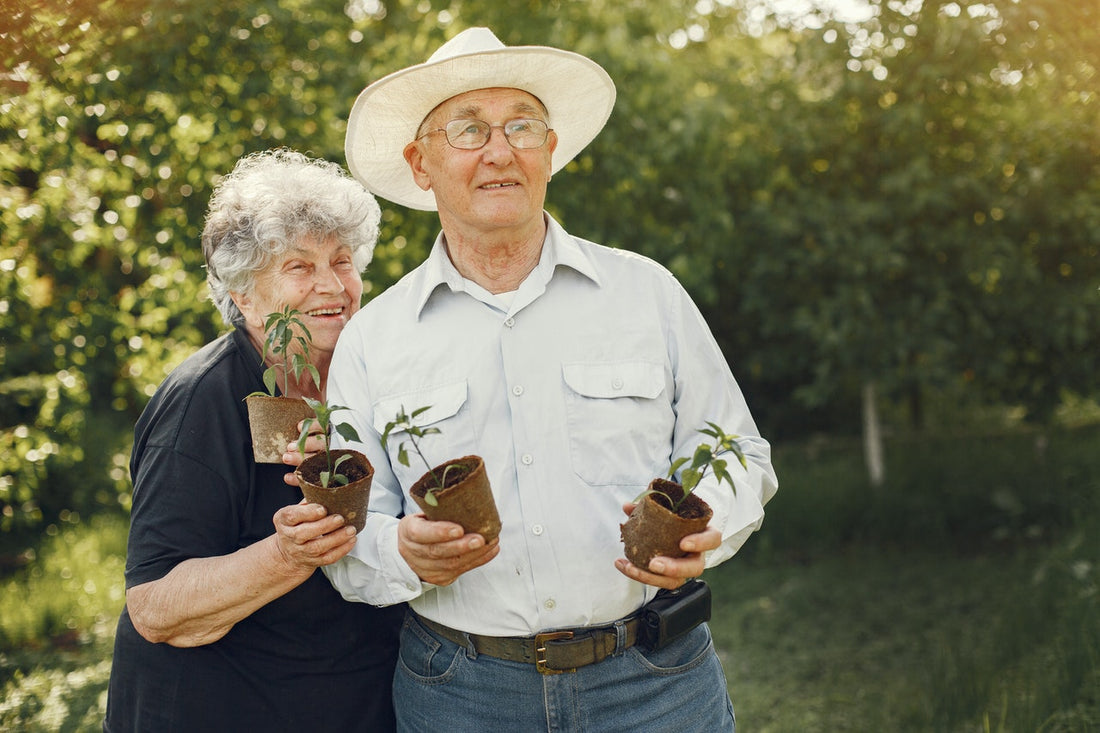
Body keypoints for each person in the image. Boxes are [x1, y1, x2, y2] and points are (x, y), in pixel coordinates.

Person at [325, 28, 779, 731]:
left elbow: (739, 452)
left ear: (551, 148)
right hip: (461, 692)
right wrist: (399, 550)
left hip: (656, 682)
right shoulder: (374, 339)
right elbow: (350, 528)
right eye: (469, 129)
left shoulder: (645, 293)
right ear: (421, 163)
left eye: (522, 125)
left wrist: (705, 529)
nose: (500, 150)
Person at [103, 149, 405, 732]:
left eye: (342, 261)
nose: (332, 286)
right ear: (243, 295)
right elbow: (155, 606)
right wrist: (286, 555)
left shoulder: (368, 383)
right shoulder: (204, 401)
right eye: (298, 267)